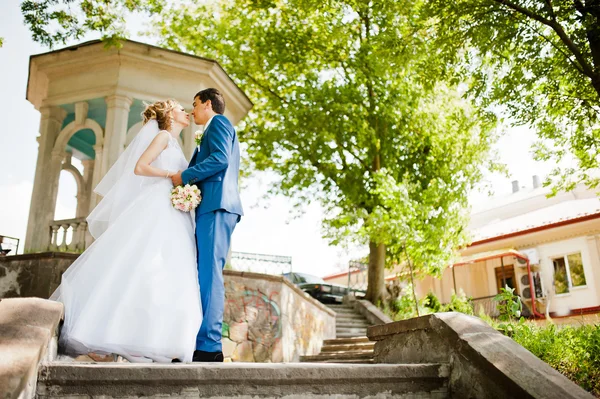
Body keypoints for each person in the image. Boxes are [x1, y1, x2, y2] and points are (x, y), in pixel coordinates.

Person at [51, 100, 202, 363]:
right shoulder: (163, 136)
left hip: (173, 209)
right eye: (180, 108)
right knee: (140, 265)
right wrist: (172, 175)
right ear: (169, 115)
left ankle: (154, 339)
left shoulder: (175, 142)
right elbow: (140, 167)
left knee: (163, 271)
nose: (186, 112)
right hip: (157, 207)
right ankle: (113, 334)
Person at [171, 88, 243, 362]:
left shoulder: (220, 123)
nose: (192, 110)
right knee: (203, 275)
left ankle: (210, 346)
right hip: (209, 206)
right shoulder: (211, 128)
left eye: (195, 105)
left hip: (217, 206)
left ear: (208, 105)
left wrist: (185, 176)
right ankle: (200, 340)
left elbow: (220, 159)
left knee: (209, 275)